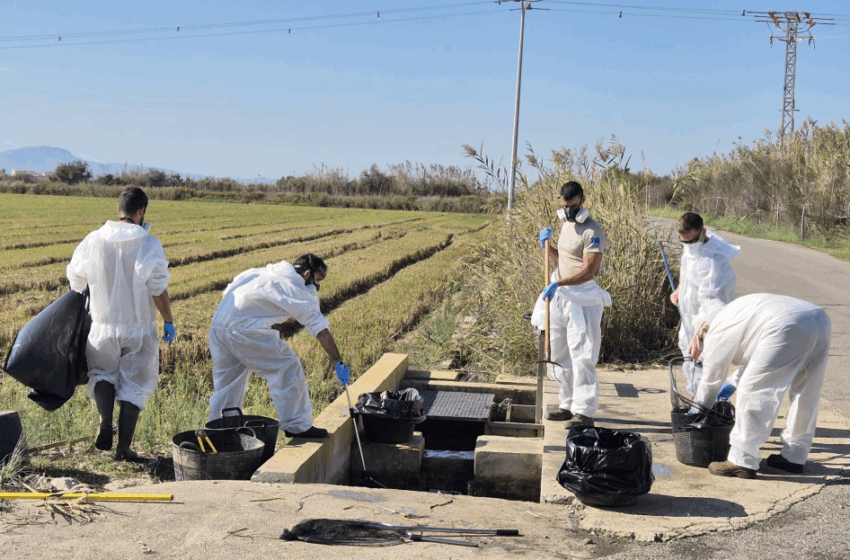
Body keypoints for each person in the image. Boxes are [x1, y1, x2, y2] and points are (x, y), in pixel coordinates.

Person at [66, 187, 175, 462]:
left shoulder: (93, 240)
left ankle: (105, 421)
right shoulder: (148, 243)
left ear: (118, 211)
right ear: (141, 213)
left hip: (101, 327)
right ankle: (123, 449)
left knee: (102, 373)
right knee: (135, 385)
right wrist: (169, 321)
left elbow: (76, 279)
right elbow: (158, 289)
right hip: (138, 330)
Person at [689, 293, 831, 478]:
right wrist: (731, 383)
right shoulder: (735, 313)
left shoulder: (716, 328)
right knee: (807, 390)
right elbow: (762, 360)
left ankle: (742, 460)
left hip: (786, 323)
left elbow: (711, 378)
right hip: (819, 319)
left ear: (705, 330)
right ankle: (795, 456)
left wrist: (697, 410)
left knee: (754, 389)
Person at [207, 253, 349, 439]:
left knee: (228, 384)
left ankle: (220, 431)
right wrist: (337, 360)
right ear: (307, 274)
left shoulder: (262, 272)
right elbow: (320, 330)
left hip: (218, 325)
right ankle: (297, 426)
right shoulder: (296, 288)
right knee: (286, 366)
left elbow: (225, 293)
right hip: (243, 328)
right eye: (318, 281)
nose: (316, 287)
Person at [533, 181, 611, 428]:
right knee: (559, 352)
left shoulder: (592, 231)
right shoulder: (566, 225)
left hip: (582, 298)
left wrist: (561, 282)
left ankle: (585, 411)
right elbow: (565, 258)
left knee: (583, 355)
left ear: (582, 200)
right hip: (561, 297)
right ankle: (567, 403)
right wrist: (548, 247)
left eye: (573, 206)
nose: (568, 211)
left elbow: (589, 271)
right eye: (564, 206)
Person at [670, 212, 741, 396]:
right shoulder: (693, 248)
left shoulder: (713, 260)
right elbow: (689, 274)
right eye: (683, 242)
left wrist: (698, 334)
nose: (688, 246)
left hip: (707, 324)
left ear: (703, 232)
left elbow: (710, 302)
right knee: (691, 367)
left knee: (704, 368)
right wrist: (680, 289)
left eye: (691, 242)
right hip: (689, 321)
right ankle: (699, 406)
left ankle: (706, 409)